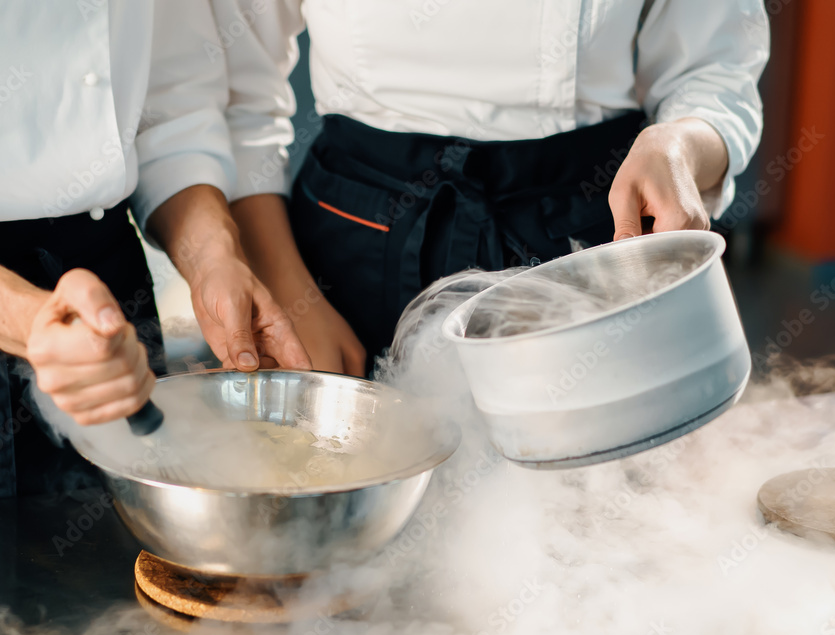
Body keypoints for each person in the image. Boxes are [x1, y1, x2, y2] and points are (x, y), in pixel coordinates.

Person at [0, 0, 310, 513]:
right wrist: (29, 321)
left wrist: (213, 257)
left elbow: (171, 110)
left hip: (108, 303)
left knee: (119, 568)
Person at [215, 0, 770, 375]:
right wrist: (290, 295)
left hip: (586, 240)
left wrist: (682, 144)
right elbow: (240, 95)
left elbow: (714, 68)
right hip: (351, 252)